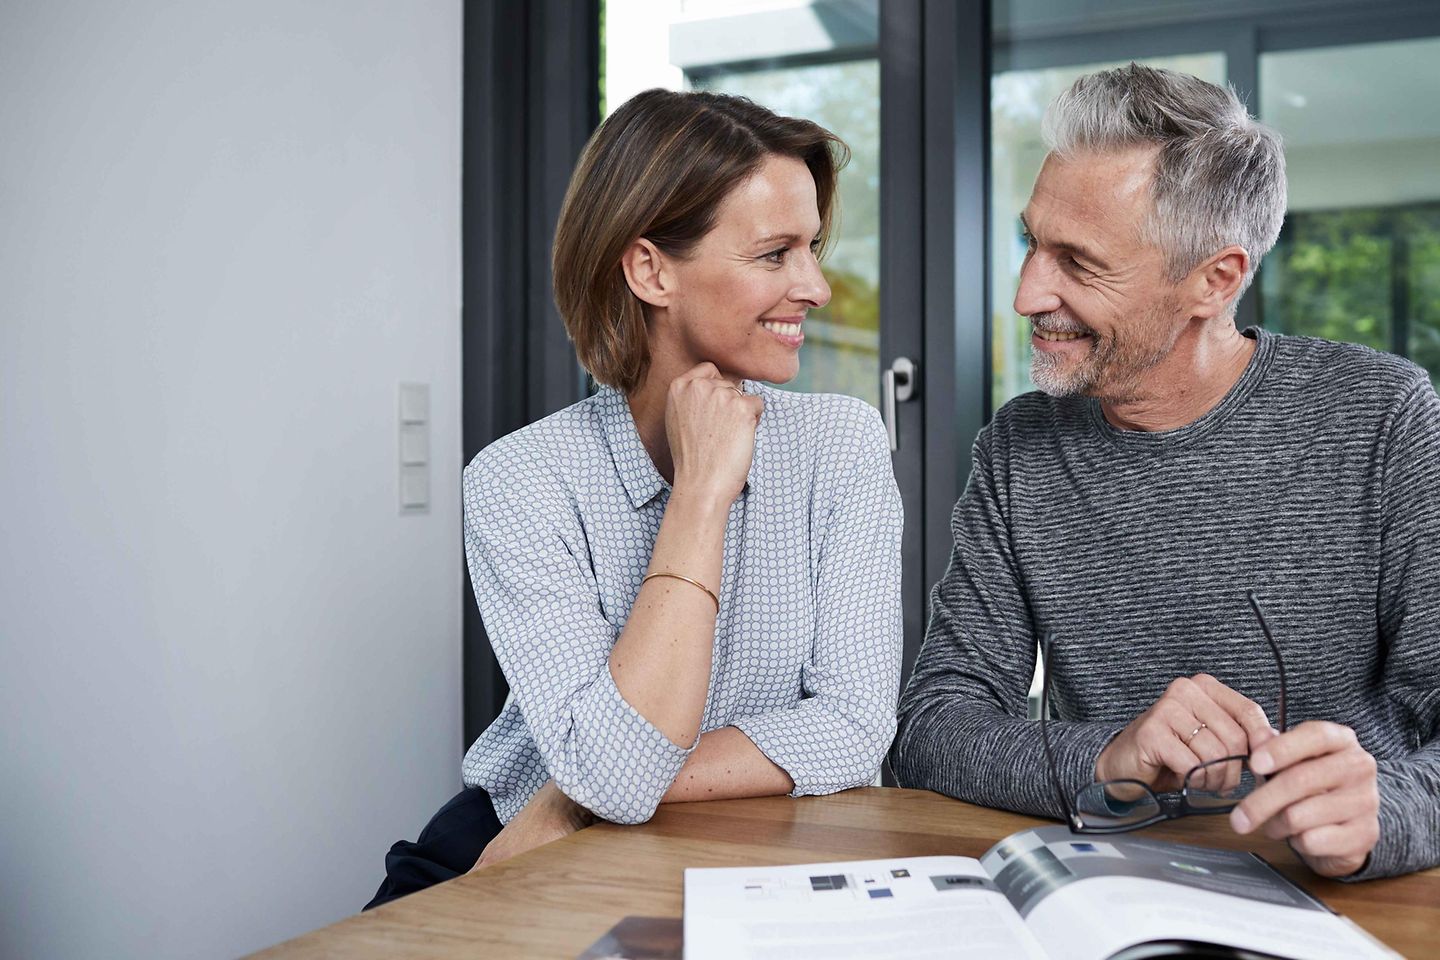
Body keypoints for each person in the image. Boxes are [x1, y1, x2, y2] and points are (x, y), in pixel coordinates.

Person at [890, 64, 1439, 880]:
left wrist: (1384, 813)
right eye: (1030, 242)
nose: (1027, 292)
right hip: (1107, 889)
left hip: (1344, 903)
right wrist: (1109, 755)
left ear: (1215, 280)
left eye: (1079, 262)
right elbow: (934, 725)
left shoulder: (1382, 416)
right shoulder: (1019, 448)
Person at [366, 89, 903, 909]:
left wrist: (572, 791)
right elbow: (617, 777)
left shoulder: (844, 445)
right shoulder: (520, 480)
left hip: (609, 832)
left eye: (813, 247)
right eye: (774, 254)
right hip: (509, 853)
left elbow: (858, 727)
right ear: (651, 269)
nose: (817, 286)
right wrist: (701, 495)